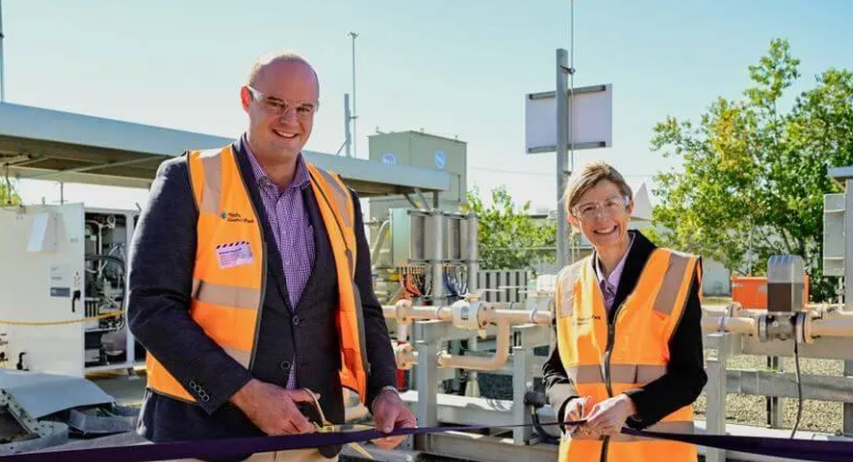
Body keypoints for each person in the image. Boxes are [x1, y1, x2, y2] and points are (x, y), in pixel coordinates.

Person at [128, 51, 416, 462]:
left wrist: (383, 391)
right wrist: (244, 394)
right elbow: (150, 308)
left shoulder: (340, 199)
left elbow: (364, 308)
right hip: (205, 438)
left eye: (304, 108)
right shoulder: (189, 179)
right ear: (247, 100)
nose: (290, 120)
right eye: (276, 103)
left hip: (310, 438)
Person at [543, 161, 707, 462]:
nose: (602, 217)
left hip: (656, 454)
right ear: (573, 219)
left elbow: (690, 376)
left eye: (610, 203)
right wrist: (566, 404)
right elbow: (555, 371)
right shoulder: (566, 283)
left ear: (629, 205)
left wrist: (629, 405)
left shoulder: (675, 272)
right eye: (587, 208)